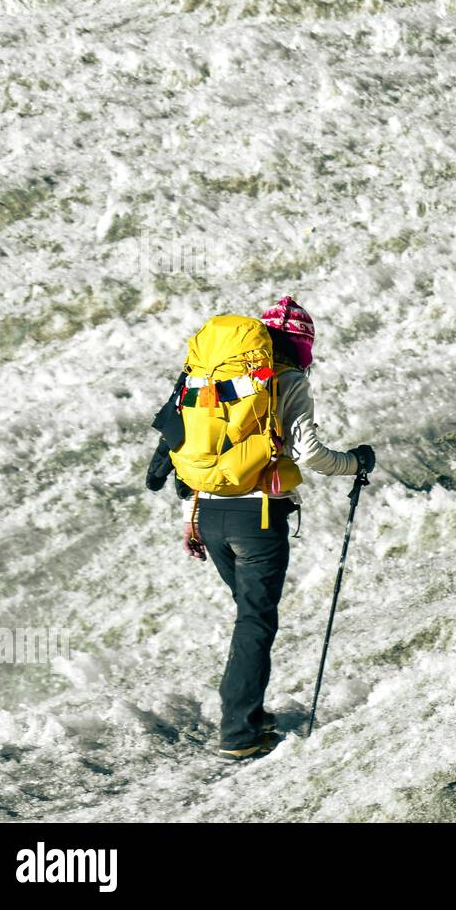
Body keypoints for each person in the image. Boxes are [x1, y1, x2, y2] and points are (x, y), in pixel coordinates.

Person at [174, 296, 374, 759]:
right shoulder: (287, 381)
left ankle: (250, 713)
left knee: (248, 616)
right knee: (255, 621)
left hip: (208, 510)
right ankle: (239, 732)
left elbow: (198, 448)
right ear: (303, 346)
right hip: (257, 519)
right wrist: (356, 462)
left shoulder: (218, 379)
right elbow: (310, 456)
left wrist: (190, 519)